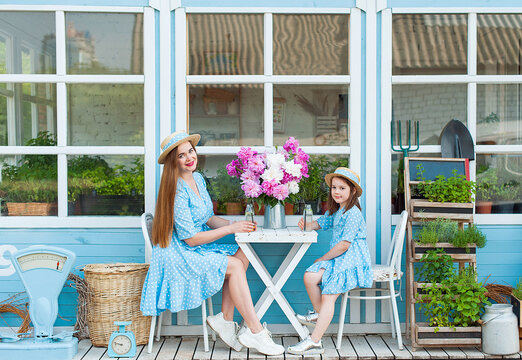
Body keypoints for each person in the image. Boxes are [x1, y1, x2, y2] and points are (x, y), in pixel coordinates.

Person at [140, 131, 284, 356]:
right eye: (181, 155)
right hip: (178, 252)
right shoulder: (176, 189)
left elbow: (207, 217)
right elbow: (191, 238)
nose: (189, 157)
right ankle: (255, 332)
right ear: (172, 162)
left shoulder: (196, 178)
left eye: (190, 151)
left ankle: (225, 320)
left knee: (242, 252)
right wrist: (230, 229)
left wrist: (235, 224)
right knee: (235, 266)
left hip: (193, 245)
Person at [287, 167, 373, 355]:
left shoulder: (353, 213)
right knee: (310, 276)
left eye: (342, 188)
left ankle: (314, 340)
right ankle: (320, 314)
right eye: (334, 187)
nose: (337, 192)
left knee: (329, 293)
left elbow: (344, 245)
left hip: (351, 258)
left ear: (352, 191)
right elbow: (321, 223)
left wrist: (323, 257)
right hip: (339, 257)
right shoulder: (337, 210)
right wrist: (307, 225)